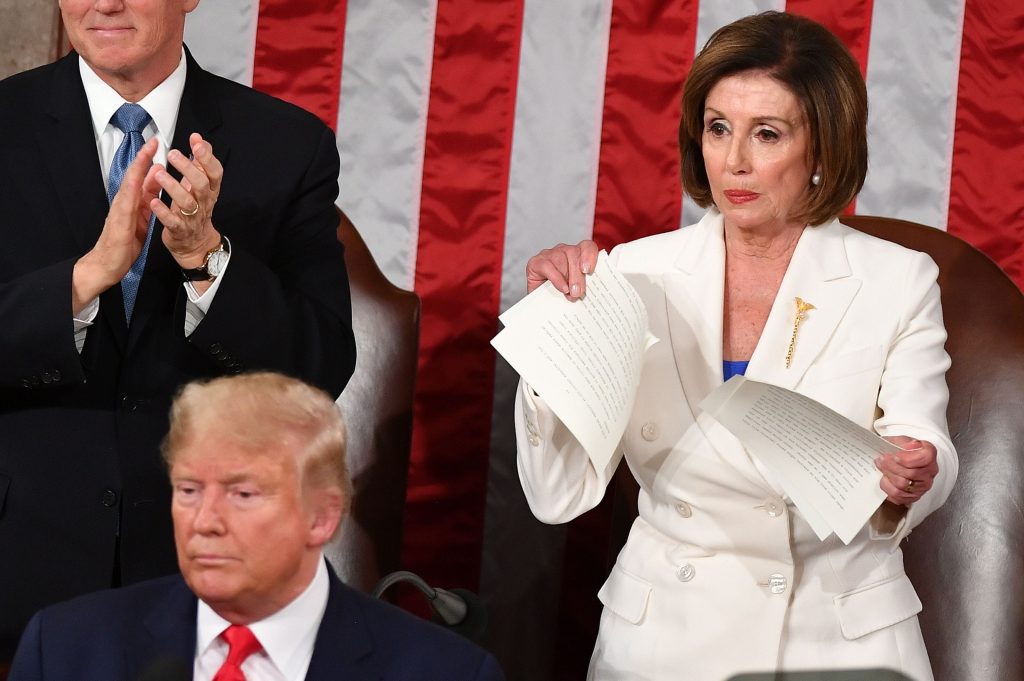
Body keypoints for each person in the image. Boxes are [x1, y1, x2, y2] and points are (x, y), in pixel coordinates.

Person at [516, 11, 956, 681]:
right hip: (664, 638)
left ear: (823, 149)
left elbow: (924, 445)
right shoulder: (632, 272)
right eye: (718, 128)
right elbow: (558, 494)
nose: (735, 161)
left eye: (768, 134)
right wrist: (559, 334)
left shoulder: (897, 279)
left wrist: (914, 473)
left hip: (838, 640)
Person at [0, 0, 356, 658]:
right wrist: (83, 281)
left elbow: (320, 364)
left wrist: (207, 261)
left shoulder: (286, 146)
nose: (103, 3)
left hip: (205, 570)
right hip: (16, 566)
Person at [9, 372, 504, 681]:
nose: (205, 522)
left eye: (243, 494)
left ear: (323, 516)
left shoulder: (445, 672)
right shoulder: (66, 649)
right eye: (189, 490)